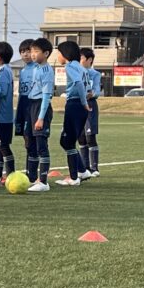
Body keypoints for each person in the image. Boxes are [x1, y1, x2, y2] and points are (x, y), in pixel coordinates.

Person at [54, 41, 92, 188]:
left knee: (67, 142)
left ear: (65, 54)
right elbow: (87, 87)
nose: (58, 56)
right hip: (79, 107)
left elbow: (79, 84)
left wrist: (83, 102)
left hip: (75, 104)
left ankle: (73, 177)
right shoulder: (82, 68)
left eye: (59, 53)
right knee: (67, 141)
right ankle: (82, 171)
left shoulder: (70, 66)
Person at [26, 38, 55, 193]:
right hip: (32, 105)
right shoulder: (36, 68)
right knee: (31, 144)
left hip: (40, 107)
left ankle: (43, 181)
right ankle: (34, 179)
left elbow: (46, 96)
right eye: (31, 51)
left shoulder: (47, 71)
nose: (32, 54)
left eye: (36, 51)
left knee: (41, 145)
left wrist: (41, 118)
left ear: (46, 53)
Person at [0, 41, 17, 180]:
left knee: (3, 146)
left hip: (3, 116)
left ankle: (11, 174)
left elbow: (2, 91)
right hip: (0, 116)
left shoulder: (4, 71)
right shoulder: (5, 70)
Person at [14, 39, 36, 176]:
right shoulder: (22, 71)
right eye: (22, 52)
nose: (25, 54)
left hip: (32, 103)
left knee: (32, 139)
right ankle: (29, 170)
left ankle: (33, 172)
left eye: (28, 51)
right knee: (26, 139)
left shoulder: (37, 68)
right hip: (22, 103)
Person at [78, 48, 101, 178]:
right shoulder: (76, 72)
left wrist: (93, 94)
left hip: (90, 105)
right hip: (78, 105)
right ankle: (85, 167)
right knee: (81, 138)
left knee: (90, 137)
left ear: (89, 60)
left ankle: (94, 168)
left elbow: (96, 89)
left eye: (81, 58)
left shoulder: (95, 74)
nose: (79, 61)